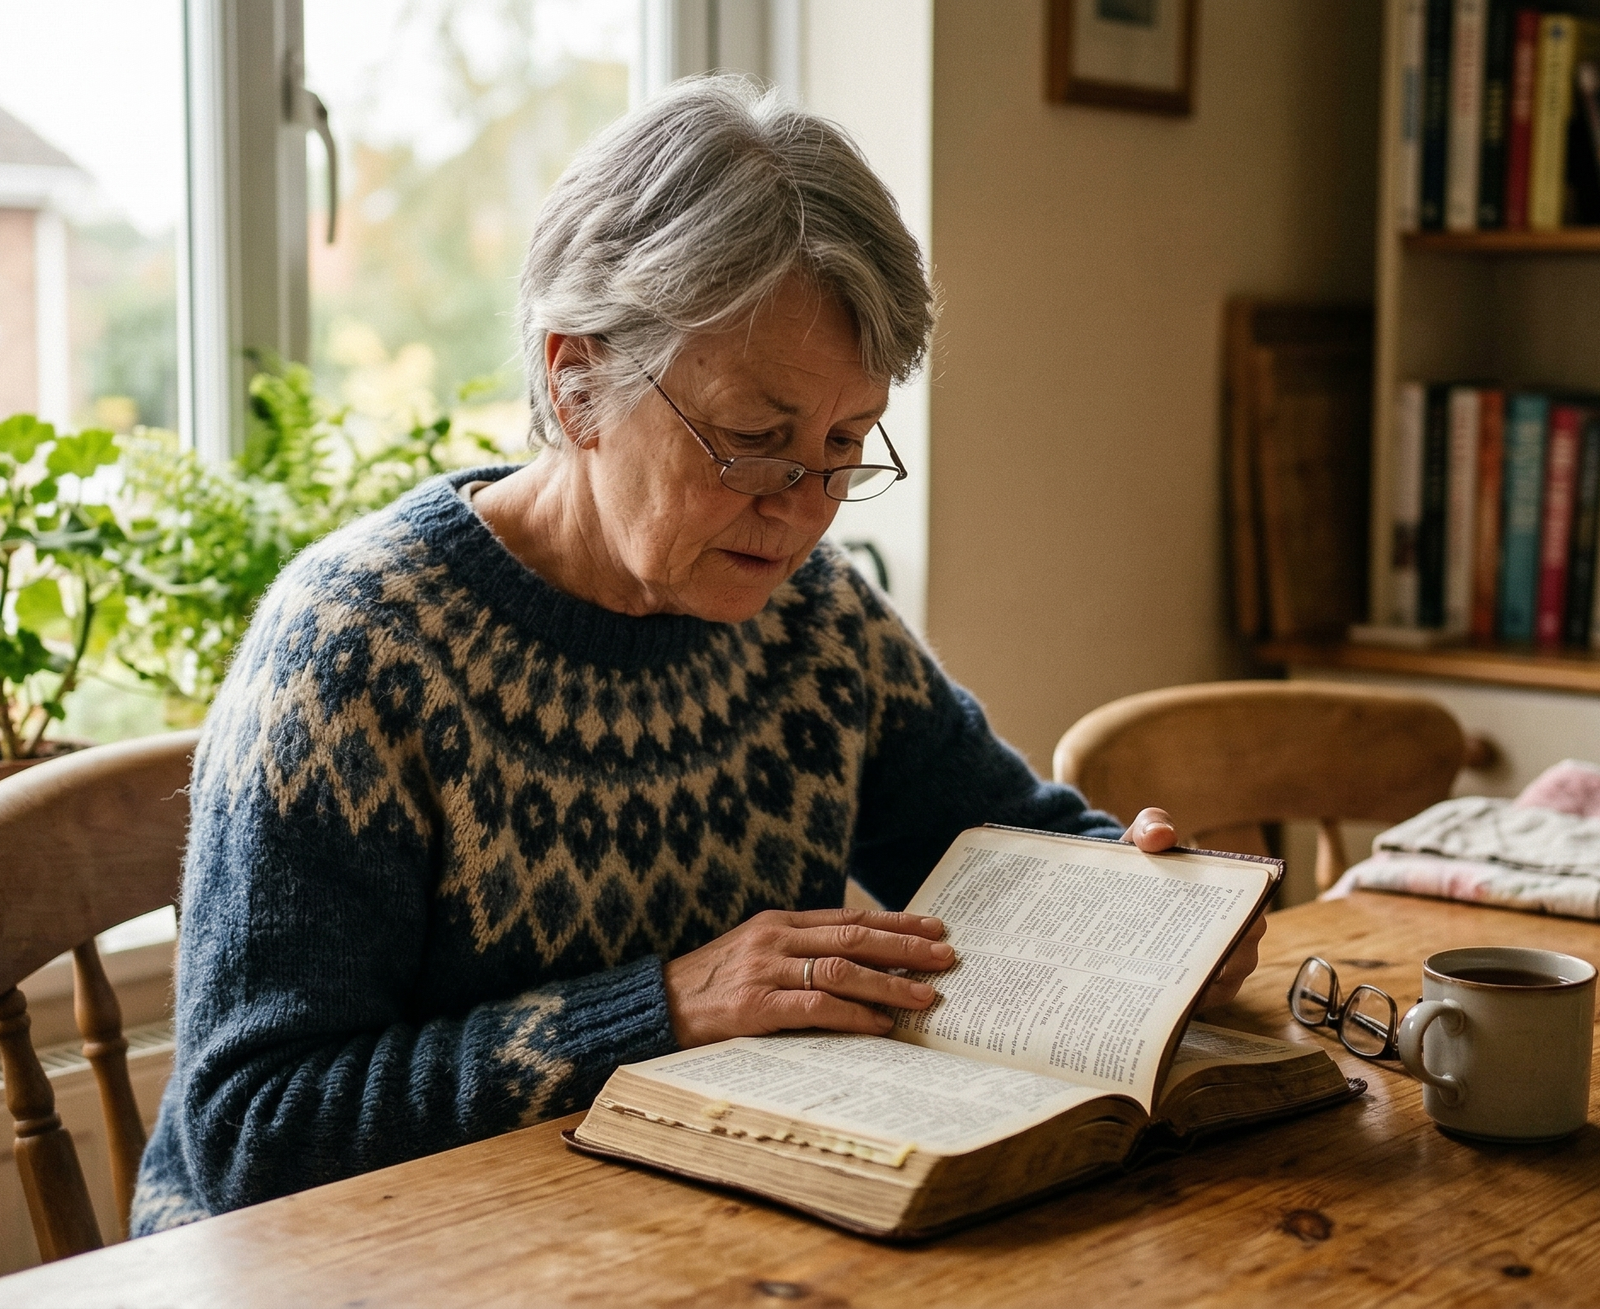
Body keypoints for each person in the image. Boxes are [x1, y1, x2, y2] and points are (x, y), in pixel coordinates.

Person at [130, 76, 1263, 1235]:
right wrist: (662, 1007)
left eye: (843, 444)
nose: (803, 509)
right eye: (754, 441)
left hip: (677, 1234)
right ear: (577, 382)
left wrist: (1155, 911)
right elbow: (251, 1133)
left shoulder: (815, 622)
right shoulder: (355, 649)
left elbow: (1008, 847)